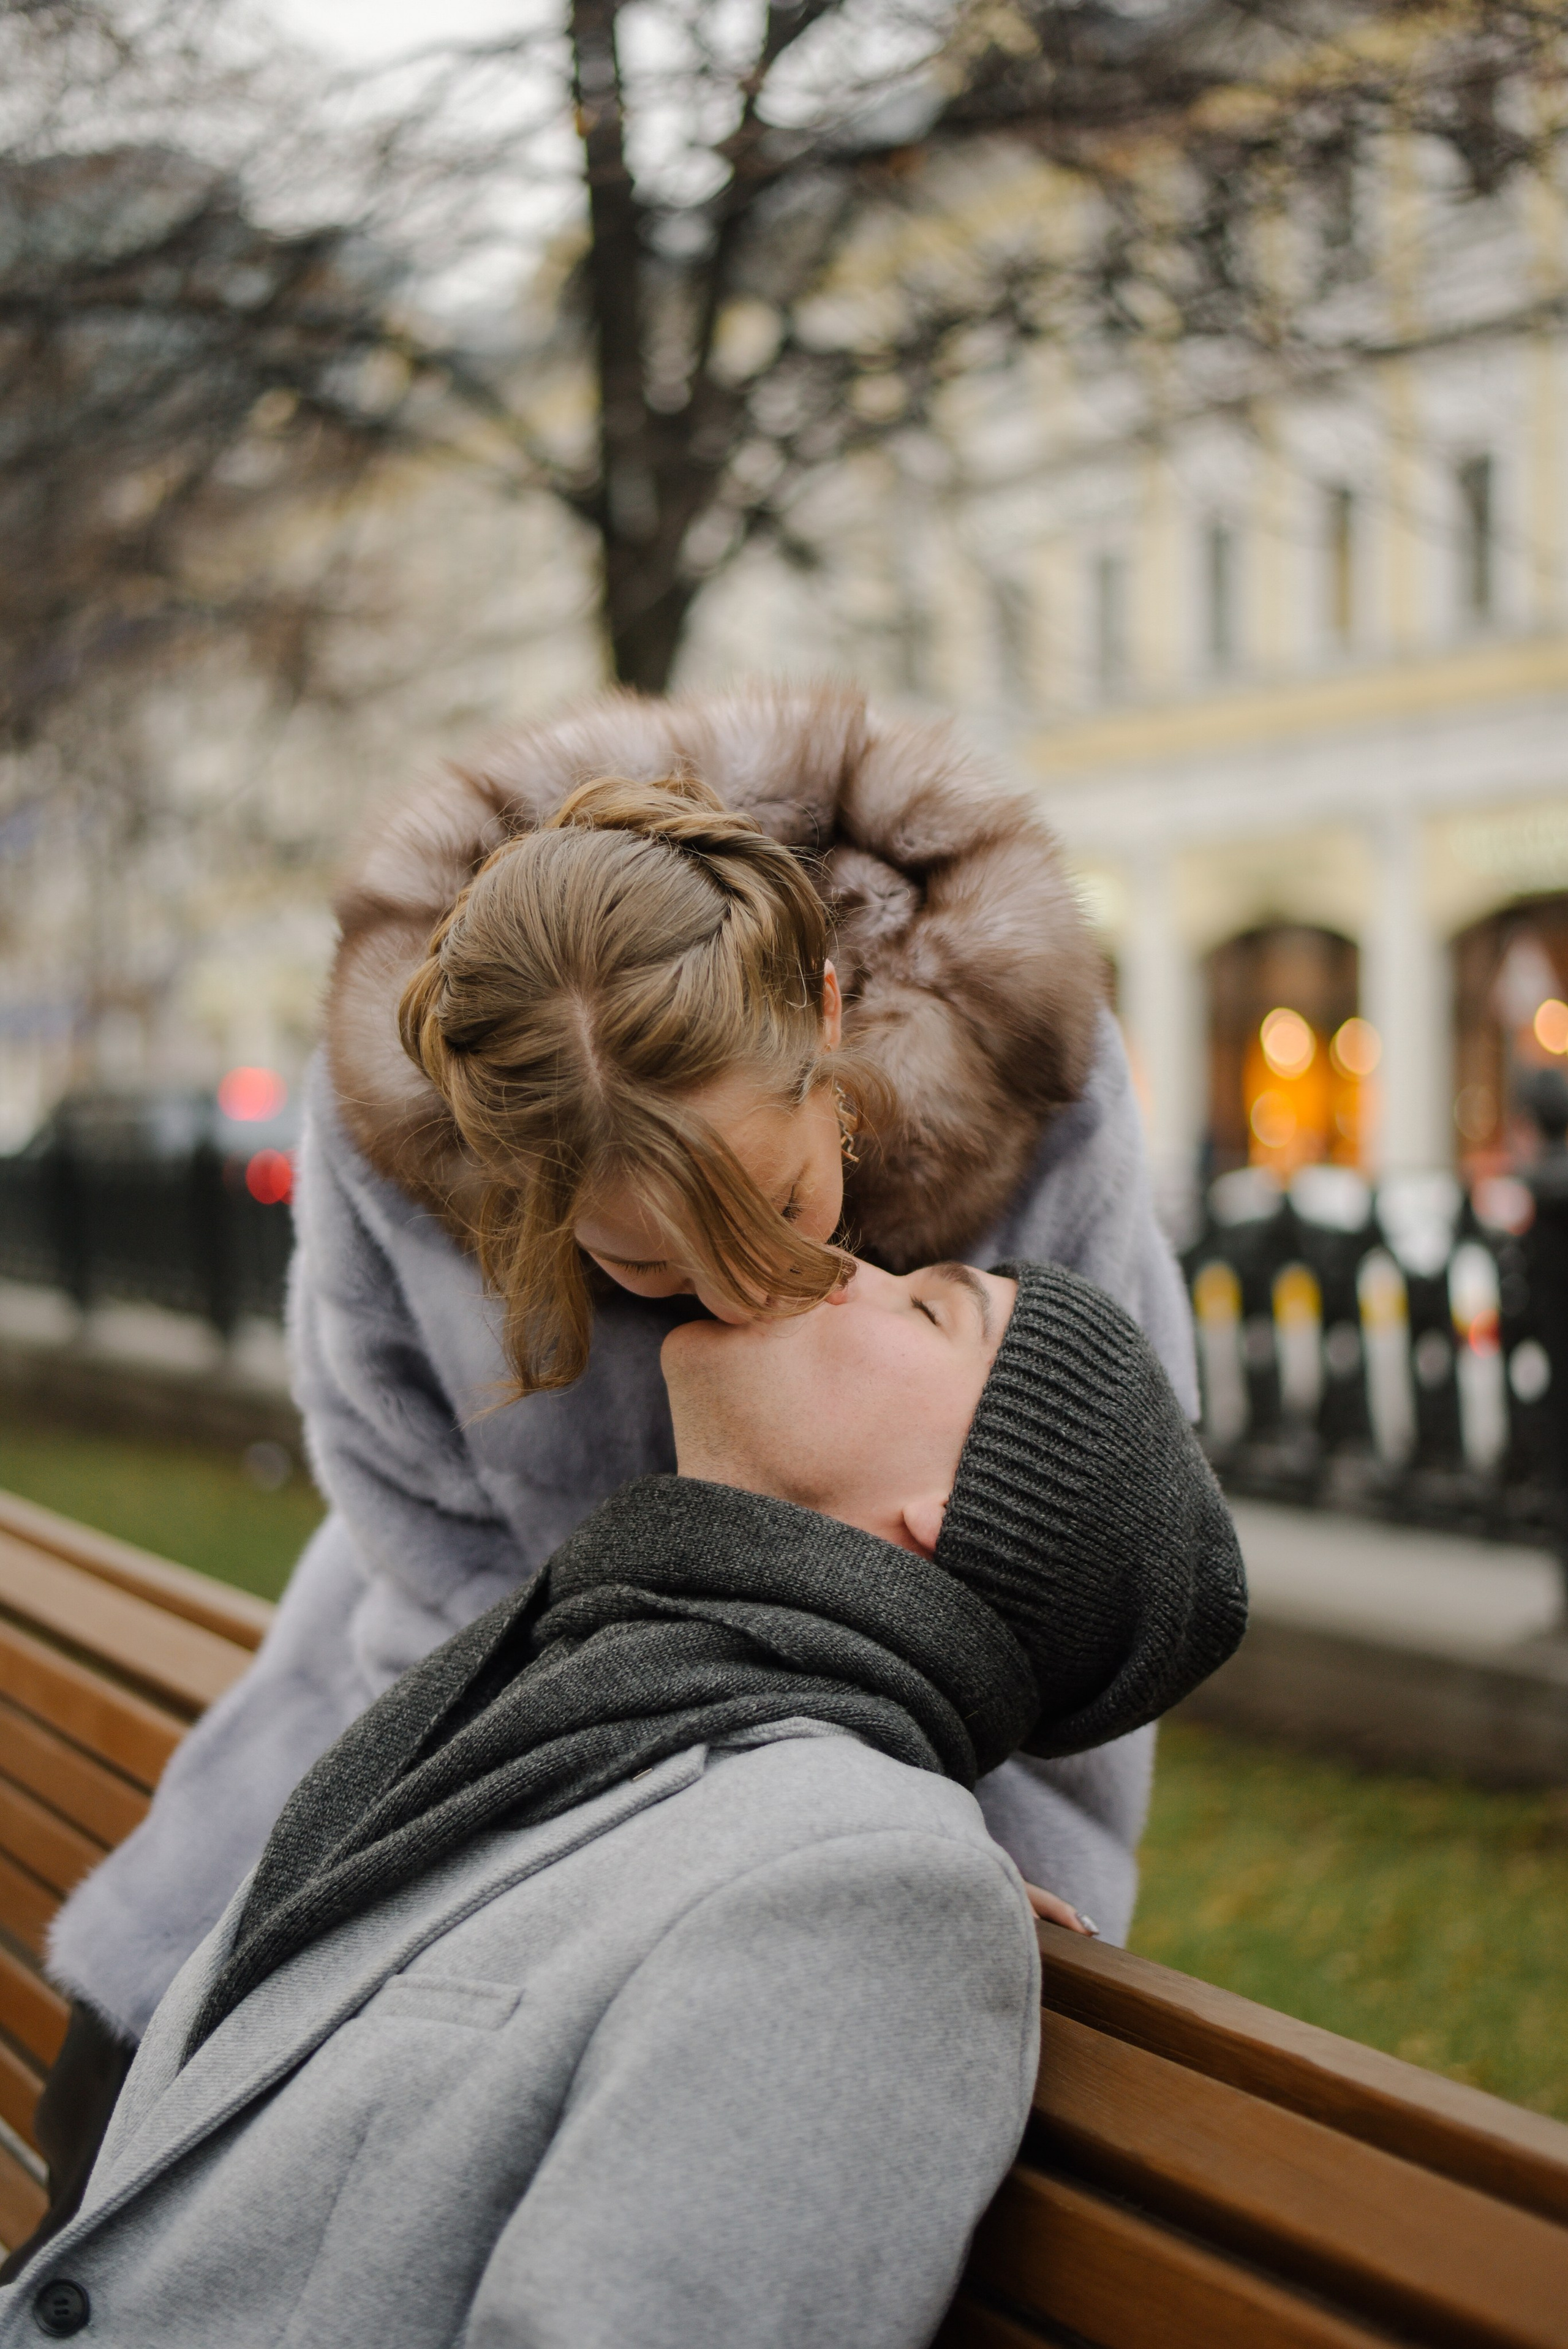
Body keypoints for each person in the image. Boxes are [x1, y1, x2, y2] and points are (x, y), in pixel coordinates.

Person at [40, 681, 1195, 2204]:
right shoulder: (411, 1122)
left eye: (774, 1205)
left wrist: (945, 1849)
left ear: (829, 1021)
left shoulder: (1019, 1072)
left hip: (776, 1890)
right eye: (637, 1267)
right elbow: (430, 1549)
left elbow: (1098, 1531)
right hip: (425, 1771)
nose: (726, 1293)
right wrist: (623, 1833)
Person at [1, 1254, 1245, 2347]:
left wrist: (881, 1857)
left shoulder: (876, 1892)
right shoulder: (595, 1691)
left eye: (927, 1310)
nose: (843, 1265)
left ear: (957, 1511)